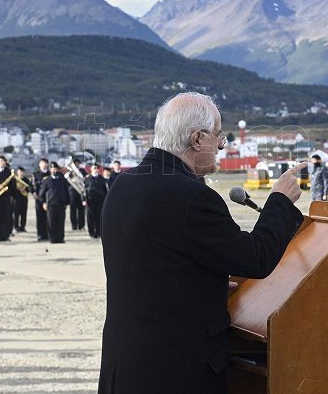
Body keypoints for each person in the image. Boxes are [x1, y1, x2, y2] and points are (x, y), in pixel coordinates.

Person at [98, 92, 306, 394]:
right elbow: (255, 258)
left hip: (127, 363)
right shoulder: (191, 196)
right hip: (174, 372)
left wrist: (204, 288)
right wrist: (279, 202)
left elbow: (152, 267)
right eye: (218, 136)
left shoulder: (124, 184)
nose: (221, 146)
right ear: (197, 139)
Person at [39, 162, 71, 243]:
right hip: (51, 204)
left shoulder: (62, 180)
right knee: (51, 222)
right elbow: (41, 193)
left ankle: (60, 238)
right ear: (50, 169)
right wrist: (43, 203)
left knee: (60, 222)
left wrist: (67, 202)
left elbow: (66, 191)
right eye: (53, 168)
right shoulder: (47, 180)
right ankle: (52, 239)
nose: (54, 170)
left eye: (56, 168)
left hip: (61, 204)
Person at [84, 163, 108, 238]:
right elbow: (83, 191)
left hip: (100, 201)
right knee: (90, 217)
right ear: (91, 169)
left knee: (99, 217)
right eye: (94, 168)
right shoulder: (87, 179)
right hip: (90, 201)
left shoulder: (102, 179)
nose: (96, 169)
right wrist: (84, 200)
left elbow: (105, 191)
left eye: (97, 168)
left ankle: (98, 232)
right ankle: (91, 232)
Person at [33, 158, 50, 241]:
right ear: (39, 164)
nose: (44, 164)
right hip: (39, 199)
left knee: (49, 218)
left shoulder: (50, 174)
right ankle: (40, 235)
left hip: (48, 198)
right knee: (40, 218)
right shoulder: (35, 174)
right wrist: (33, 193)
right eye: (42, 163)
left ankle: (48, 234)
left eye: (46, 163)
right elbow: (32, 185)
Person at [12, 167, 33, 233]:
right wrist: (18, 189)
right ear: (17, 172)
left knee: (24, 213)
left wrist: (25, 189)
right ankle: (16, 227)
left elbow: (30, 187)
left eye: (22, 172)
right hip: (16, 199)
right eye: (20, 171)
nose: (21, 173)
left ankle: (22, 227)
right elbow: (12, 188)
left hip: (24, 198)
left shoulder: (26, 179)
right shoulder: (14, 179)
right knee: (16, 214)